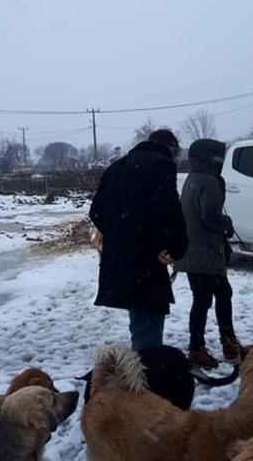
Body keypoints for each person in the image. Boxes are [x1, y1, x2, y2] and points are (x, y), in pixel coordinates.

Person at [89, 129, 188, 351]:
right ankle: (145, 368)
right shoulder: (161, 164)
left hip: (120, 259)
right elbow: (168, 210)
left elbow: (95, 211)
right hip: (147, 259)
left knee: (140, 316)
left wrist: (120, 235)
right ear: (171, 149)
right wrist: (175, 248)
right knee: (148, 319)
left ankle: (142, 362)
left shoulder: (116, 167)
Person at [173, 139, 241, 369]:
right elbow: (210, 216)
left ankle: (220, 343)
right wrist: (226, 224)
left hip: (193, 249)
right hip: (205, 250)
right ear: (210, 157)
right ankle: (201, 347)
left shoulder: (192, 179)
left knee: (212, 296)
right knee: (208, 298)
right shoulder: (209, 181)